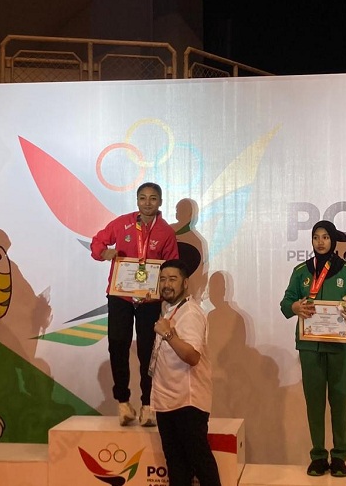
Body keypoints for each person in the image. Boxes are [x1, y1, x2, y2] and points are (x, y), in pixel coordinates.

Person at [280, 220, 346, 478]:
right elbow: (286, 303)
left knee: (339, 402)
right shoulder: (301, 271)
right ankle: (318, 456)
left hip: (339, 347)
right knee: (314, 402)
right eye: (316, 237)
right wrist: (295, 307)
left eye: (325, 237)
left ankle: (339, 457)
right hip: (310, 347)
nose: (320, 242)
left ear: (333, 241)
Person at [91, 182, 179, 426]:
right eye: (143, 198)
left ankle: (148, 405)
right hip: (120, 296)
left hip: (149, 299)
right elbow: (97, 243)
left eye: (153, 198)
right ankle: (123, 403)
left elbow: (172, 266)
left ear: (160, 202)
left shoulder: (166, 232)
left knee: (148, 351)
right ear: (137, 200)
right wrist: (104, 253)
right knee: (117, 345)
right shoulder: (122, 224)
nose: (147, 203)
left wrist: (167, 291)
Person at [150, 259, 221, 486]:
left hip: (187, 402)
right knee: (177, 467)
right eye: (163, 279)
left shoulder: (190, 313)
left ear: (186, 283)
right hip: (168, 401)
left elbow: (192, 356)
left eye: (173, 279)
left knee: (201, 463)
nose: (166, 284)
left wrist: (169, 334)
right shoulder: (170, 311)